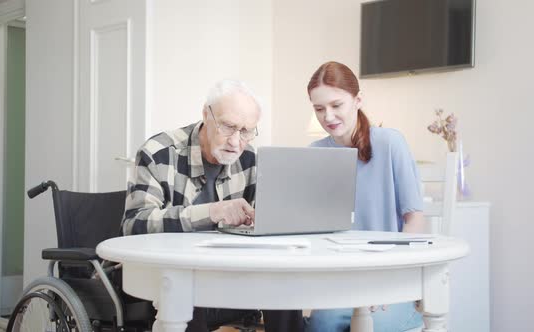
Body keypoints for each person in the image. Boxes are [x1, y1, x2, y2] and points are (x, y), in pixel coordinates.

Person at [121, 79, 304, 332]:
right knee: (187, 289)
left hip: (226, 276)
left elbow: (264, 224)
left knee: (285, 288)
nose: (236, 142)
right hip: (165, 279)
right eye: (229, 127)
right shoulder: (159, 153)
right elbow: (134, 224)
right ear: (206, 114)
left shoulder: (249, 159)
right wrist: (212, 212)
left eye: (247, 131)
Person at [305, 61, 425, 332]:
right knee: (321, 324)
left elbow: (414, 219)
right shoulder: (315, 152)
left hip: (390, 282)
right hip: (339, 283)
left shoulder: (390, 143)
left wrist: (389, 282)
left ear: (357, 100)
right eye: (319, 109)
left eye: (337, 105)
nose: (328, 116)